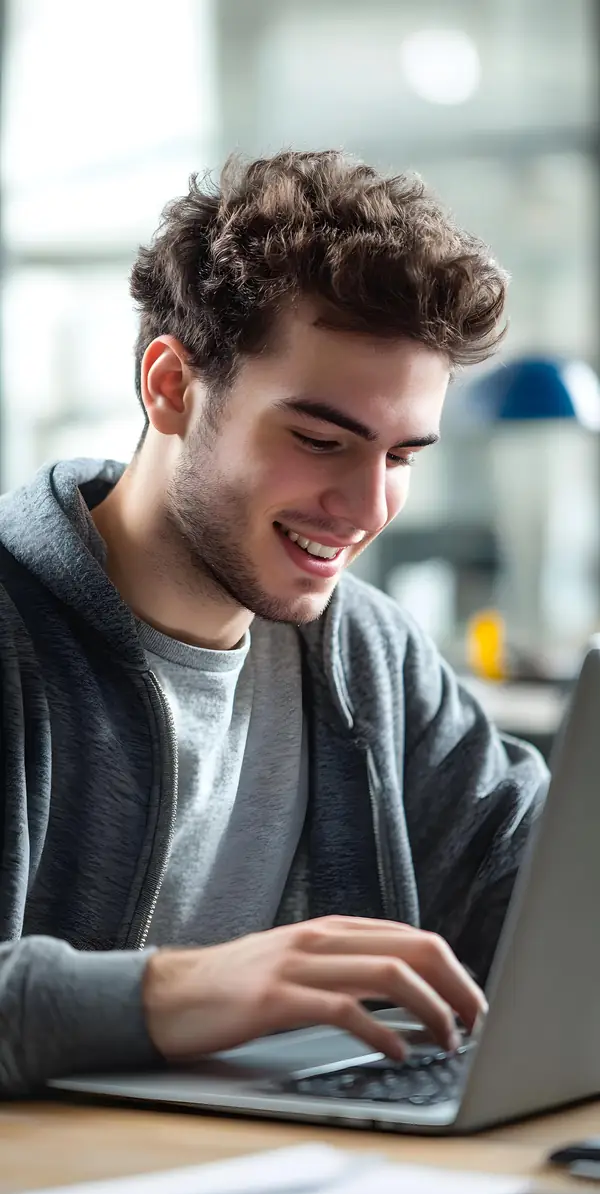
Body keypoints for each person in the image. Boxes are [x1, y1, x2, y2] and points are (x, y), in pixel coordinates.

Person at [0, 150, 547, 1098]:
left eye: (402, 455)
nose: (367, 505)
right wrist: (177, 991)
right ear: (171, 386)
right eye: (320, 441)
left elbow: (538, 901)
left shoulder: (368, 653)